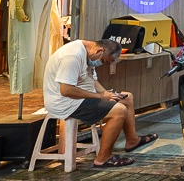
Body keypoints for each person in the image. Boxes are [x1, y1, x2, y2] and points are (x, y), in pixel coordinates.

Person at [42, 38, 158, 168]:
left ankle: (132, 140)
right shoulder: (72, 56)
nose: (103, 64)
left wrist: (107, 95)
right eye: (105, 61)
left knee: (127, 98)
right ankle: (103, 158)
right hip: (64, 102)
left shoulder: (90, 52)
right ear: (100, 51)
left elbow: (92, 79)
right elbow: (66, 90)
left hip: (79, 97)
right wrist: (99, 96)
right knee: (119, 111)